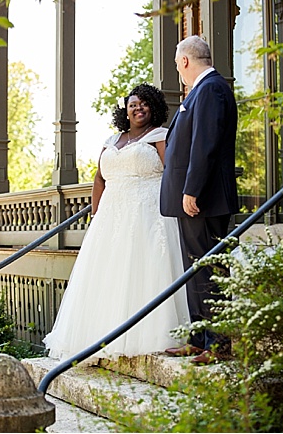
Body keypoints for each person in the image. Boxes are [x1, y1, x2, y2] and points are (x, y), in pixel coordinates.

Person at [43, 84, 189, 361]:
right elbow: (99, 178)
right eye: (134, 104)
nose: (139, 108)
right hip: (111, 216)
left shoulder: (160, 136)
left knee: (143, 271)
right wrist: (96, 215)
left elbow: (172, 172)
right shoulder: (112, 140)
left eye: (145, 104)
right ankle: (103, 335)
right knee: (109, 275)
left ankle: (149, 335)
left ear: (154, 108)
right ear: (126, 109)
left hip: (148, 213)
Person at [160, 35, 238, 365]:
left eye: (178, 64)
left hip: (204, 199)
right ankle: (198, 337)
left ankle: (217, 345)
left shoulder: (211, 89)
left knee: (209, 270)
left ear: (186, 61)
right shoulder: (202, 91)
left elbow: (205, 144)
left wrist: (191, 189)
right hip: (194, 199)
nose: (178, 70)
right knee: (196, 270)